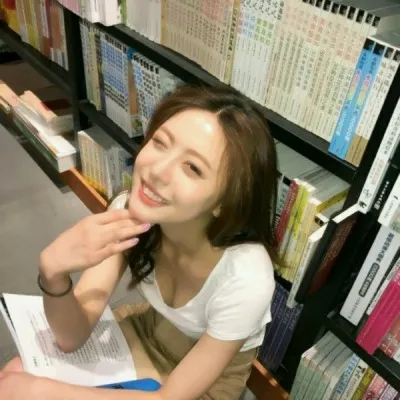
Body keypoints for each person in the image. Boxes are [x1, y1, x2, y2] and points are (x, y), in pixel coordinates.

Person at [0, 84, 278, 400]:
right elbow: (71, 337)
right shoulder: (130, 214)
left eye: (192, 167)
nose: (156, 170)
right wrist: (53, 272)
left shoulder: (246, 278)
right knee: (14, 374)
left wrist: (43, 391)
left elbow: (169, 398)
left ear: (225, 202)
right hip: (147, 329)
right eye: (160, 142)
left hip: (207, 382)